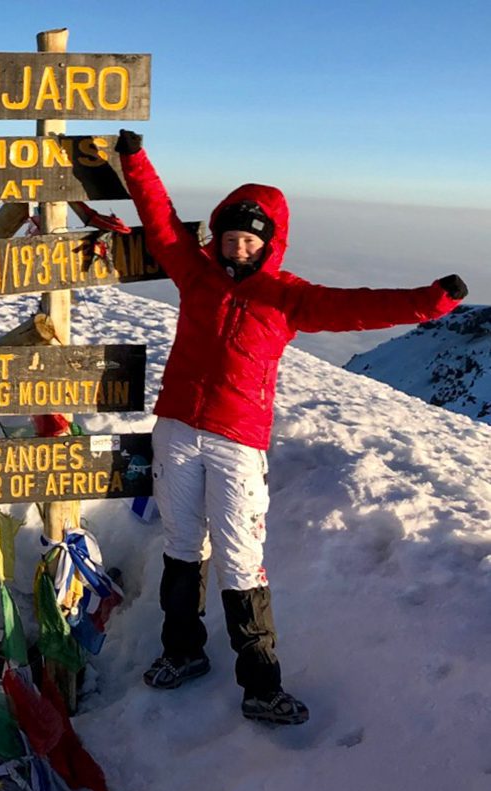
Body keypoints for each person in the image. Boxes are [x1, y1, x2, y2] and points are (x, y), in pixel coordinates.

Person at [115, 129, 467, 725]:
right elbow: (162, 220)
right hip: (176, 429)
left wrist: (431, 302)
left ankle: (260, 685)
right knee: (181, 546)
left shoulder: (288, 297)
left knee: (242, 558)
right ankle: (183, 654)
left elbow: (361, 304)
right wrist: (134, 159)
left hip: (236, 443)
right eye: (231, 236)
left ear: (268, 244)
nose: (239, 246)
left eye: (251, 239)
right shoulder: (194, 272)